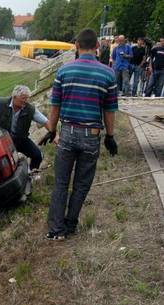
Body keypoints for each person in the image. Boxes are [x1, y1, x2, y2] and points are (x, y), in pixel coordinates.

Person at [40, 28, 118, 240]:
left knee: (61, 183)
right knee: (82, 183)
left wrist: (51, 130)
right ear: (97, 47)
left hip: (67, 134)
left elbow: (54, 106)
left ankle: (55, 230)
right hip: (91, 136)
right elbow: (109, 110)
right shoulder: (108, 73)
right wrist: (110, 136)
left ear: (76, 46)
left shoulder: (64, 71)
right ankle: (70, 224)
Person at [0, 85, 51, 171]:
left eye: (27, 98)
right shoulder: (1, 103)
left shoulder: (30, 109)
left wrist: (53, 133)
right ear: (14, 97)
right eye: (23, 98)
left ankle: (31, 174)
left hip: (21, 140)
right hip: (2, 141)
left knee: (37, 155)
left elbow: (45, 122)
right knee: (6, 165)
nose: (26, 101)